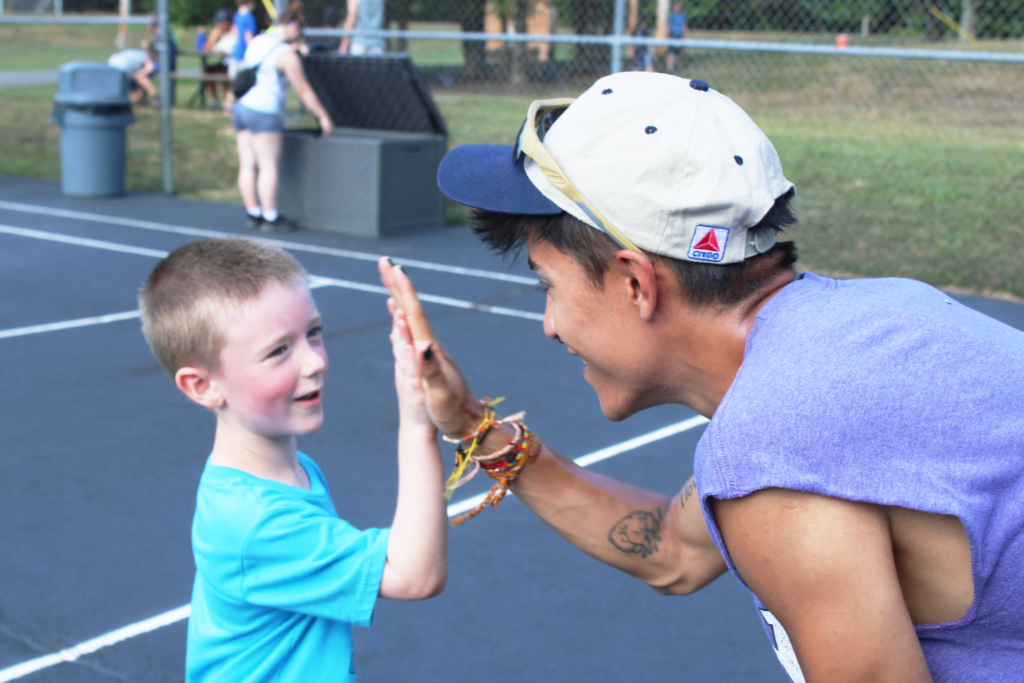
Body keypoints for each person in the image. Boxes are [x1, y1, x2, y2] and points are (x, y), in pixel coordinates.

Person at [378, 72, 1024, 682]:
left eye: (548, 285)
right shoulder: (872, 320)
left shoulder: (776, 437)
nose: (549, 323)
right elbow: (673, 551)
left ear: (636, 283)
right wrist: (471, 424)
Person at [138, 237, 448, 683]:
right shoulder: (256, 521)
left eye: (313, 333)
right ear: (203, 386)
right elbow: (415, 575)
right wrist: (419, 426)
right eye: (278, 350)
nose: (313, 362)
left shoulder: (284, 472)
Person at [233, 9, 334, 232]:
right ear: (294, 26)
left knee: (248, 165)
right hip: (264, 111)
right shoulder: (286, 54)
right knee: (268, 166)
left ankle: (253, 213)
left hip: (242, 108)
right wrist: (323, 117)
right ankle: (270, 217)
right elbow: (304, 90)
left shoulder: (258, 40)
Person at [226, 0, 259, 113]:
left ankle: (228, 107)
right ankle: (243, 106)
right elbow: (248, 37)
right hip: (244, 54)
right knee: (244, 82)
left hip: (235, 52)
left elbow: (235, 33)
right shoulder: (249, 17)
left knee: (232, 82)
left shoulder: (237, 15)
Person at [666, 2, 688, 73]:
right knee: (671, 52)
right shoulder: (671, 16)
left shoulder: (683, 16)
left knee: (679, 53)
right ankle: (670, 68)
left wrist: (685, 36)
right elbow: (668, 25)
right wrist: (667, 34)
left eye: (678, 6)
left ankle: (679, 65)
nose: (677, 8)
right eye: (676, 6)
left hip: (679, 36)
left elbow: (684, 26)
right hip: (673, 36)